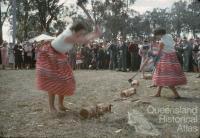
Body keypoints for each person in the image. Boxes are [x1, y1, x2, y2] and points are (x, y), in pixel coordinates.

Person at [36, 23, 101, 113]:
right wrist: (95, 34)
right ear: (75, 31)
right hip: (50, 54)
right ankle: (51, 107)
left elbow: (83, 39)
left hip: (59, 55)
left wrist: (95, 34)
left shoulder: (73, 35)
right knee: (53, 81)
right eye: (80, 33)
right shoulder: (68, 36)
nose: (81, 35)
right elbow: (83, 40)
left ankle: (60, 105)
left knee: (65, 79)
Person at [141, 29, 187, 99]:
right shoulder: (169, 36)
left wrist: (152, 55)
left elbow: (159, 53)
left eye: (157, 35)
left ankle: (176, 94)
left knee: (167, 78)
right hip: (173, 58)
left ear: (160, 33)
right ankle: (158, 93)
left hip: (165, 60)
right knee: (161, 77)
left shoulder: (162, 42)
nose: (156, 37)